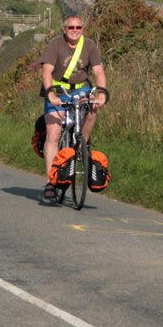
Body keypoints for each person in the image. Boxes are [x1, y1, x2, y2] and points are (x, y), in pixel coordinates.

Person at [39, 14, 108, 202]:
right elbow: (46, 70)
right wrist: (50, 94)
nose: (75, 31)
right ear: (64, 29)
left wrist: (101, 94)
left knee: (92, 107)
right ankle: (51, 182)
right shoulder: (55, 45)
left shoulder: (89, 46)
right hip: (58, 89)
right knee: (53, 134)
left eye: (78, 28)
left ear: (83, 30)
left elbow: (99, 71)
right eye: (71, 28)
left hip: (81, 89)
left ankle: (82, 145)